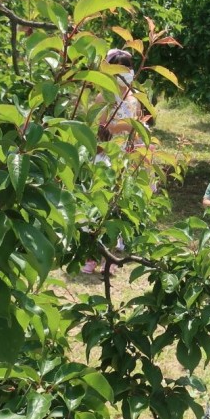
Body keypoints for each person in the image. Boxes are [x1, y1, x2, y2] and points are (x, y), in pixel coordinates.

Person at [82, 48, 150, 275]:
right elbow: (100, 127)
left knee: (117, 209)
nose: (125, 74)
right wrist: (125, 126)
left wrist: (139, 148)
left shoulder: (134, 99)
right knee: (99, 206)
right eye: (120, 70)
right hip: (106, 156)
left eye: (128, 69)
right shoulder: (104, 97)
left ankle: (108, 260)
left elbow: (138, 129)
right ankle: (91, 257)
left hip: (126, 158)